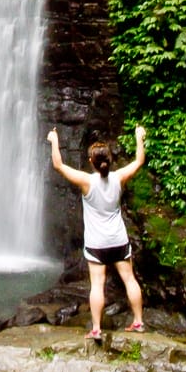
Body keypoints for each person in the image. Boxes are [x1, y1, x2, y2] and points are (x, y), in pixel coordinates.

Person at [46, 125, 146, 339]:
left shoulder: (87, 181)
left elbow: (59, 165)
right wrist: (139, 138)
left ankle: (97, 329)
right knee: (129, 279)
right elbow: (139, 161)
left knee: (97, 284)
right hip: (118, 239)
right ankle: (138, 321)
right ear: (109, 161)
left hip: (97, 243)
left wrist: (54, 140)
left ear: (91, 162)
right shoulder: (119, 178)